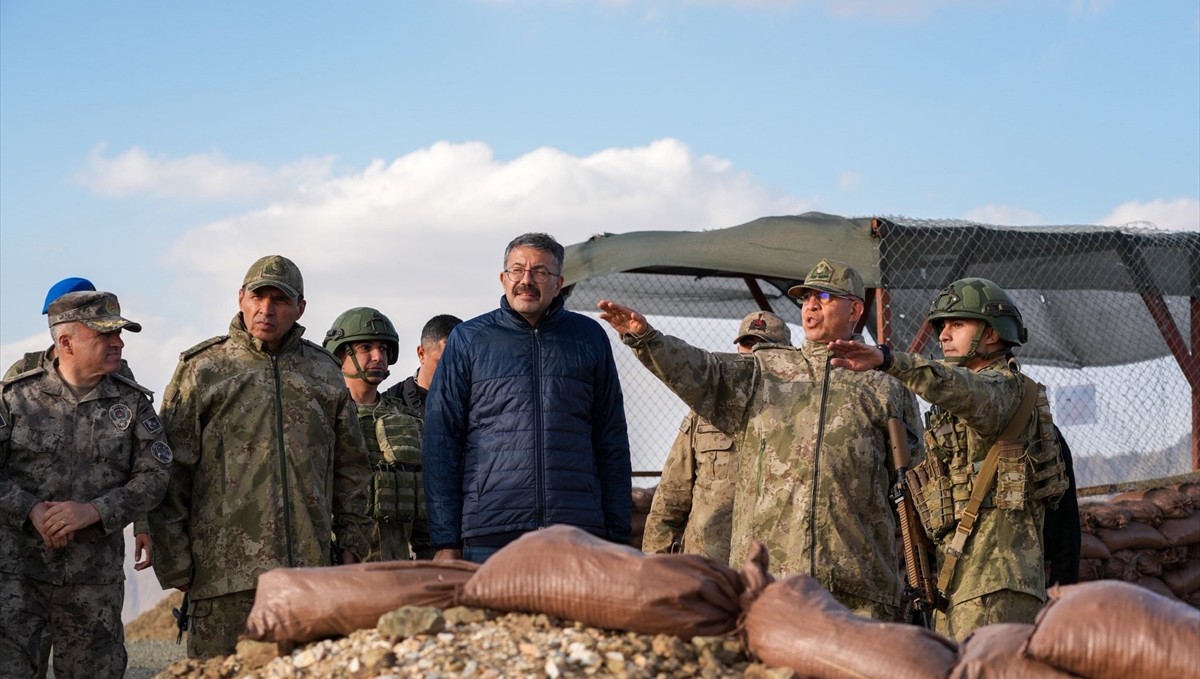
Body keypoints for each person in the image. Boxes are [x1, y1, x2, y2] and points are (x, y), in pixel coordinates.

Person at [598, 258, 922, 621]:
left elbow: (912, 485)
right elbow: (702, 368)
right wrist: (646, 339)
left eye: (826, 297)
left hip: (857, 586)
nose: (811, 305)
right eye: (806, 298)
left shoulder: (886, 386)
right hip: (770, 581)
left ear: (855, 309)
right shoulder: (766, 373)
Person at [148, 255, 373, 659]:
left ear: (300, 308)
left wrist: (353, 544)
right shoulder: (204, 369)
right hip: (223, 580)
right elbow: (171, 470)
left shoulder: (323, 372)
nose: (266, 309)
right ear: (240, 298)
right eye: (257, 297)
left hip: (307, 575)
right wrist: (177, 565)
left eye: (280, 300)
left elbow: (352, 467)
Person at [829, 277, 1069, 639]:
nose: (943, 335)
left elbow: (961, 389)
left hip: (997, 585)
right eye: (942, 326)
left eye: (957, 323)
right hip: (959, 584)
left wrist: (890, 360)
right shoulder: (960, 407)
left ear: (992, 334)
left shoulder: (1005, 389)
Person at [423, 232, 633, 564]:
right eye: (517, 270)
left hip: (576, 528)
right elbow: (441, 441)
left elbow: (611, 440)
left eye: (540, 272)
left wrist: (619, 536)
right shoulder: (470, 339)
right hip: (490, 529)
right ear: (503, 278)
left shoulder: (589, 337)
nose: (526, 280)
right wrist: (445, 540)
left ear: (558, 282)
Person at [0, 291, 170, 678]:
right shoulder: (14, 398)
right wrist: (30, 509)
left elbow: (156, 476)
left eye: (120, 334)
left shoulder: (133, 403)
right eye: (105, 335)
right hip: (16, 583)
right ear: (66, 342)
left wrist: (93, 511)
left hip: (94, 587)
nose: (119, 343)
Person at [642, 310, 792, 562]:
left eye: (764, 348)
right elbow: (671, 496)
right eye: (748, 344)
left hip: (771, 567)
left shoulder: (797, 417)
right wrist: (654, 565)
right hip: (708, 563)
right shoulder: (704, 412)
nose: (753, 354)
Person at [324, 307, 432, 561]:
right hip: (336, 567)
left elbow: (422, 501)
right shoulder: (320, 417)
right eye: (365, 348)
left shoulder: (408, 420)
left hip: (395, 566)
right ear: (341, 354)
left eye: (383, 349)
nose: (377, 356)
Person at [383, 314, 463, 417]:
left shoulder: (478, 401)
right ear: (421, 354)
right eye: (443, 363)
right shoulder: (388, 405)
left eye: (462, 363)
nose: (454, 370)